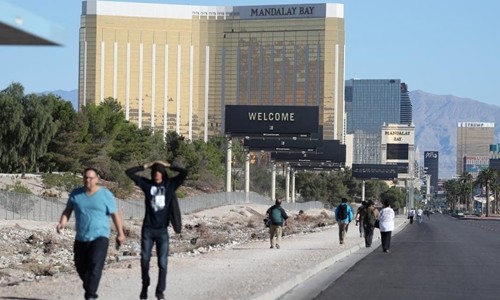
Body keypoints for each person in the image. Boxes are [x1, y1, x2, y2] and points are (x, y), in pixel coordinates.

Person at [56, 167, 125, 300]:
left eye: (91, 178)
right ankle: (90, 287)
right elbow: (68, 210)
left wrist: (120, 233)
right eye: (86, 177)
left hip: (100, 237)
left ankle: (90, 295)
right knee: (80, 266)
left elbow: (115, 215)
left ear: (97, 179)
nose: (88, 180)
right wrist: (62, 223)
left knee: (95, 265)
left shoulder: (105, 195)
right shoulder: (76, 194)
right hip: (81, 237)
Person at [126, 160, 187, 300]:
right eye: (154, 171)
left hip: (162, 231)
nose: (157, 174)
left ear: (163, 173)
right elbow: (128, 173)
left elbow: (184, 173)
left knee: (163, 263)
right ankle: (145, 284)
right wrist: (147, 165)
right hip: (148, 229)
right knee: (145, 260)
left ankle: (160, 292)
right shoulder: (147, 185)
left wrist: (168, 165)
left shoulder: (170, 185)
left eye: (159, 171)